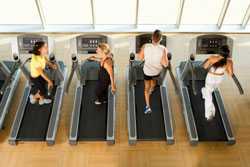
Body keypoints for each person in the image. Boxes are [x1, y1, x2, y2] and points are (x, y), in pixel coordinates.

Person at [138, 30, 169, 114]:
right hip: (156, 72)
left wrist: (143, 51)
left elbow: (140, 58)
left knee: (146, 89)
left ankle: (148, 107)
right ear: (161, 39)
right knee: (154, 81)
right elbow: (165, 64)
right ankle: (152, 89)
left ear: (152, 37)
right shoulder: (163, 49)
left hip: (147, 72)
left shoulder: (145, 46)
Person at [201, 45, 233, 120]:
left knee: (208, 95)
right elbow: (230, 74)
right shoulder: (229, 62)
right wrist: (226, 68)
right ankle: (204, 91)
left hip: (210, 77)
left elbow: (205, 67)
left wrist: (208, 61)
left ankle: (208, 115)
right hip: (219, 79)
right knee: (209, 91)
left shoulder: (212, 58)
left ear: (220, 52)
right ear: (227, 53)